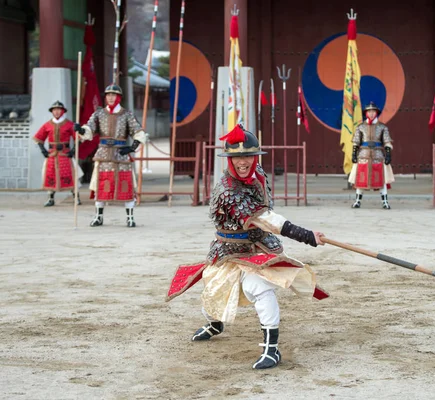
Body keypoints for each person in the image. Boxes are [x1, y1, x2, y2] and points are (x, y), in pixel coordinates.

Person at [166, 125, 329, 370]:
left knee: (259, 287)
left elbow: (267, 217)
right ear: (228, 160)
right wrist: (306, 236)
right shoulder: (228, 191)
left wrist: (307, 235)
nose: (243, 162)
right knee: (213, 290)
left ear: (255, 157)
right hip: (229, 248)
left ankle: (271, 350)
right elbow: (266, 219)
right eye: (237, 157)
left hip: (260, 245)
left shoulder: (258, 174)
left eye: (247, 156)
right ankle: (215, 323)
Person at [75, 84, 148, 227]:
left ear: (119, 97)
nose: (110, 97)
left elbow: (138, 132)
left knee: (126, 185)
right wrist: (81, 130)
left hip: (121, 154)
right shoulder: (99, 113)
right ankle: (98, 216)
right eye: (108, 95)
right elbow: (90, 129)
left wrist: (131, 147)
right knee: (100, 184)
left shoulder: (127, 114)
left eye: (113, 95)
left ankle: (130, 217)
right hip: (103, 154)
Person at [32, 100, 81, 206]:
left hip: (65, 153)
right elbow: (38, 138)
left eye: (59, 110)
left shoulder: (69, 124)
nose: (57, 112)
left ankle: (76, 197)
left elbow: (78, 139)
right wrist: (43, 150)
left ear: (63, 111)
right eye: (55, 110)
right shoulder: (47, 125)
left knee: (71, 174)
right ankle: (51, 198)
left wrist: (73, 150)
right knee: (50, 174)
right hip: (52, 154)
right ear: (52, 112)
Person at [348, 101, 395, 209]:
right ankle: (357, 201)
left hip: (378, 155)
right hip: (363, 155)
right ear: (366, 113)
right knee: (360, 180)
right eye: (369, 112)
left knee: (381, 179)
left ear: (376, 113)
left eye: (373, 111)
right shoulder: (360, 127)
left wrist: (388, 154)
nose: (371, 114)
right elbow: (356, 142)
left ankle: (385, 202)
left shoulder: (383, 127)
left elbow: (387, 142)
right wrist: (354, 154)